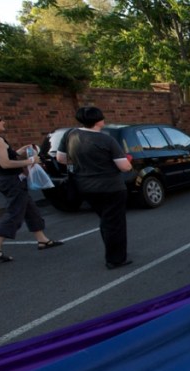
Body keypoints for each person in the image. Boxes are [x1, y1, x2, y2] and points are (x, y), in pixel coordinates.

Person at [0, 108, 64, 263]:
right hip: (9, 180)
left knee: (29, 208)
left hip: (4, 179)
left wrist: (18, 152)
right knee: (15, 211)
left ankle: (42, 239)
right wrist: (31, 161)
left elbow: (3, 157)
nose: (3, 122)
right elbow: (5, 163)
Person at [56, 107, 133, 269]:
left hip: (85, 186)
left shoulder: (70, 135)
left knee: (105, 220)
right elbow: (124, 167)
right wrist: (127, 161)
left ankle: (113, 252)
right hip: (110, 186)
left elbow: (61, 158)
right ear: (98, 121)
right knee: (115, 223)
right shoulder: (106, 140)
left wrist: (82, 163)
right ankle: (115, 258)